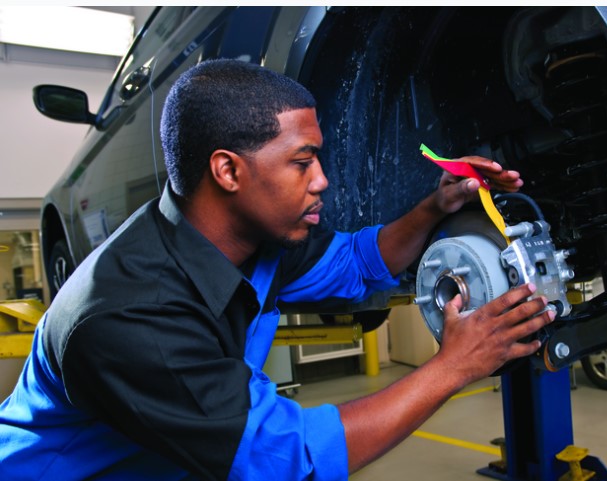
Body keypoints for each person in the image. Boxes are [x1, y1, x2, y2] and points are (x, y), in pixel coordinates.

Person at [0, 59, 555, 480]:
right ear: (228, 170)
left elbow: (359, 263)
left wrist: (435, 206)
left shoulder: (257, 239)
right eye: (301, 161)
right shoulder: (129, 315)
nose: (322, 181)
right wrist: (453, 367)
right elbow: (287, 460)